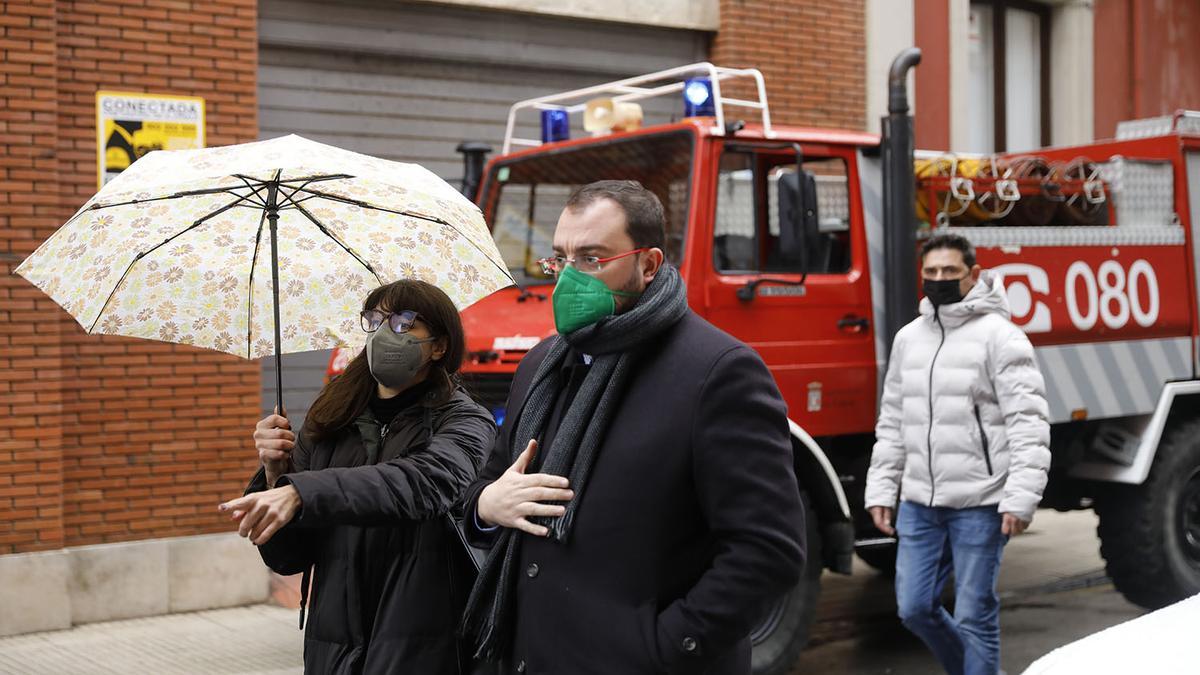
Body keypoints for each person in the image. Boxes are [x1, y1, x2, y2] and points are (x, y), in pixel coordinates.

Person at [459, 180, 806, 675]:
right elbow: (486, 485)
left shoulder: (718, 372)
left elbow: (767, 551)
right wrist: (486, 507)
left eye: (592, 259)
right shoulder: (541, 365)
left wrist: (664, 646)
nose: (568, 278)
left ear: (648, 264)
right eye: (560, 259)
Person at [219, 279, 497, 675]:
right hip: (333, 653)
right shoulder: (330, 420)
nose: (384, 333)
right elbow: (289, 557)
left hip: (423, 649)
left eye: (403, 322)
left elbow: (423, 484)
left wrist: (300, 493)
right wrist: (276, 472)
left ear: (439, 346)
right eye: (376, 320)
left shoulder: (465, 421)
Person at [865, 233, 1051, 675]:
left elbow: (1028, 423)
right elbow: (893, 420)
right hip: (919, 503)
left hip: (980, 502)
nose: (939, 279)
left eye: (949, 271)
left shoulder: (1001, 337)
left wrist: (1020, 498)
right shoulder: (909, 339)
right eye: (931, 271)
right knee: (914, 608)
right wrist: (881, 489)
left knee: (973, 615)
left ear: (974, 274)